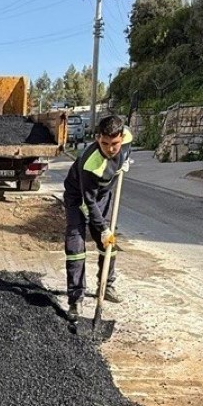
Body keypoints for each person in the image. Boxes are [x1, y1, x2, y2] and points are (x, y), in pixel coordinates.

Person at [63, 114, 131, 323]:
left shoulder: (127, 138)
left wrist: (124, 162)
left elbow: (124, 148)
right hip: (79, 197)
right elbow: (88, 203)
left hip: (104, 195)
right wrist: (102, 227)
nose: (110, 149)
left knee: (109, 244)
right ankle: (76, 298)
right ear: (97, 138)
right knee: (76, 246)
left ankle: (106, 285)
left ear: (121, 137)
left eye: (115, 144)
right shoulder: (90, 164)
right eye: (105, 144)